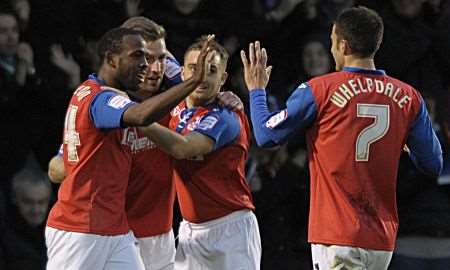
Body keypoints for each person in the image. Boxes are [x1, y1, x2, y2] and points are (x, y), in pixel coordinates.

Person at [240, 6, 443, 270]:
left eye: (332, 42)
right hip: (381, 241)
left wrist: (256, 91)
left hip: (337, 236)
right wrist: (402, 142)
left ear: (343, 46)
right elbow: (433, 164)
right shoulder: (408, 97)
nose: (331, 49)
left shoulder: (320, 89)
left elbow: (267, 135)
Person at [47, 17, 242, 270]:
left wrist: (220, 95)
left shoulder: (174, 94)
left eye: (161, 59)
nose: (154, 68)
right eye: (144, 58)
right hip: (98, 229)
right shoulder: (105, 103)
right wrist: (81, 166)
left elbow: (199, 79)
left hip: (154, 236)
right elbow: (57, 167)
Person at [140, 37, 261, 270]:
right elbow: (158, 48)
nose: (202, 76)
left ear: (223, 79)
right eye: (195, 69)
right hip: (189, 231)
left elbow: (182, 147)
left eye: (212, 70)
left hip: (230, 230)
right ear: (182, 72)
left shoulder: (225, 116)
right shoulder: (178, 99)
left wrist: (136, 117)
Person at [1, 168, 51, 270]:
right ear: (15, 199)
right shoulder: (5, 237)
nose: (35, 209)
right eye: (28, 202)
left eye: (41, 202)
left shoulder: (59, 232)